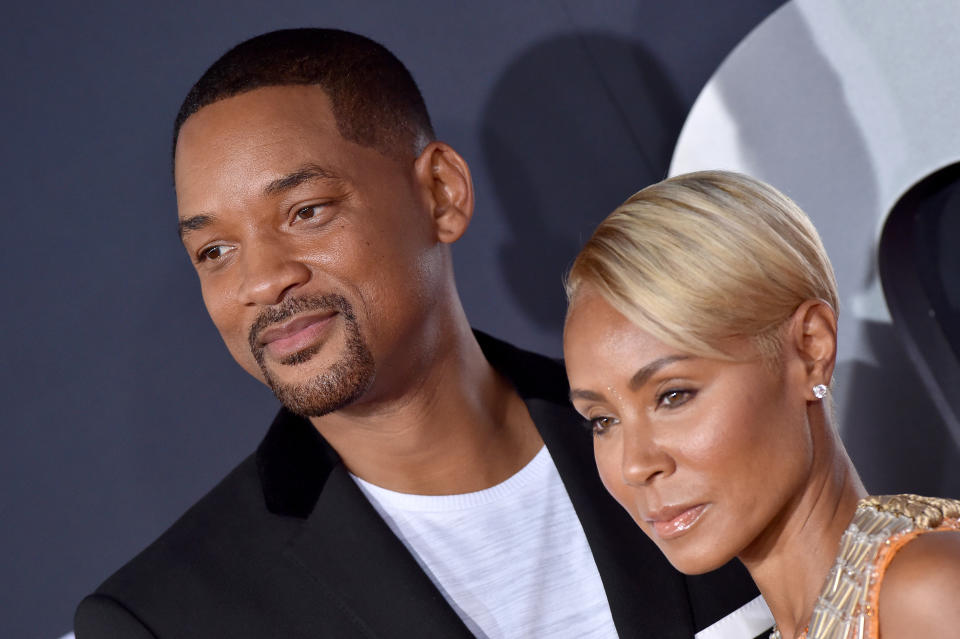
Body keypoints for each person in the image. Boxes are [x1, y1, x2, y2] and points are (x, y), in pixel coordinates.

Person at [74, 30, 769, 638]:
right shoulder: (168, 617)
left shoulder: (709, 432)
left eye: (305, 211)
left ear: (441, 192)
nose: (261, 281)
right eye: (214, 252)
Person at [563, 170, 960, 639]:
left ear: (810, 350)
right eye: (603, 421)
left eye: (673, 396)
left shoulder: (928, 593)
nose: (635, 465)